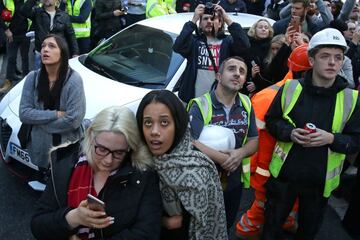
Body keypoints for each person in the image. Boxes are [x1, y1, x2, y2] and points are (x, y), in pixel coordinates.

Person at [262, 28, 360, 240]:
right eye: (325, 56)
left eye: (338, 57)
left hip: (319, 185)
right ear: (312, 60)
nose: (332, 62)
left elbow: (356, 142)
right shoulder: (290, 89)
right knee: (270, 231)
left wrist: (332, 139)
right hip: (284, 179)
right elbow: (272, 121)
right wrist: (289, 133)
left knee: (308, 233)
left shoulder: (352, 99)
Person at [30, 106, 162, 239]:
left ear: (130, 147)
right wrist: (73, 217)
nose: (108, 160)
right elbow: (38, 225)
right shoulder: (65, 163)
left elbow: (147, 233)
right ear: (91, 136)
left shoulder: (143, 175)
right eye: (102, 149)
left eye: (119, 153)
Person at [236, 44, 312, 239]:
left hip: (291, 166)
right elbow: (252, 137)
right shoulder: (270, 96)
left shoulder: (303, 94)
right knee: (264, 203)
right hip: (268, 167)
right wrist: (251, 170)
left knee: (288, 201)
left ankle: (284, 221)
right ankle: (247, 230)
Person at [136, 90, 228, 239]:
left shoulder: (197, 168)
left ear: (178, 125)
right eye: (148, 123)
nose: (154, 131)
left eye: (164, 122)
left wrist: (178, 222)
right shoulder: (137, 162)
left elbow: (203, 224)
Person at [187, 56, 259, 229]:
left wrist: (240, 153)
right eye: (231, 69)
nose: (237, 74)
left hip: (234, 182)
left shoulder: (247, 103)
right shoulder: (200, 105)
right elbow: (189, 141)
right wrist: (222, 158)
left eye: (242, 72)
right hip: (202, 182)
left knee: (225, 227)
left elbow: (254, 140)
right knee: (199, 228)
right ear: (218, 76)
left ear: (243, 82)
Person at [19, 34, 85, 177]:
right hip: (39, 145)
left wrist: (38, 122)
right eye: (43, 46)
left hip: (64, 148)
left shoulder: (74, 80)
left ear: (63, 52)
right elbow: (24, 113)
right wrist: (54, 114)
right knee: (43, 176)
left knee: (62, 182)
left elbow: (73, 120)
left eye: (51, 46)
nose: (45, 50)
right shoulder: (32, 77)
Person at [173, 3, 250, 103]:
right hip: (192, 100)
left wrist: (227, 18)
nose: (209, 21)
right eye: (205, 19)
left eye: (213, 18)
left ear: (220, 23)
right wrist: (193, 20)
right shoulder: (194, 42)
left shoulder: (228, 42)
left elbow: (245, 45)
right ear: (200, 24)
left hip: (217, 102)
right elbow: (178, 46)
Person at [21, 0, 79, 69]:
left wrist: (75, 53)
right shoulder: (37, 12)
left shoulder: (64, 16)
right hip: (41, 53)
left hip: (57, 54)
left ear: (57, 1)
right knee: (40, 77)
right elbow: (24, 11)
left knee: (57, 77)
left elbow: (71, 35)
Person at [0, 0, 30, 93]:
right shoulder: (5, 1)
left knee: (25, 57)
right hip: (12, 34)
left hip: (25, 33)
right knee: (11, 58)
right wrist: (6, 30)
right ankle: (8, 82)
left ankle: (26, 81)